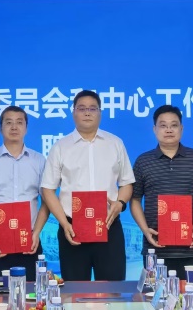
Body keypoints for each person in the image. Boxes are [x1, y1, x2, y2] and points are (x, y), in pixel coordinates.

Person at [41, 90, 135, 281]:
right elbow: (47, 189)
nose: (87, 113)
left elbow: (126, 183)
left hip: (108, 225)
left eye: (92, 108)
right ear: (73, 112)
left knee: (112, 290)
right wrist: (64, 223)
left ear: (100, 113)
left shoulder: (115, 143)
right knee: (73, 291)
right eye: (81, 108)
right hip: (72, 228)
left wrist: (120, 204)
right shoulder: (60, 147)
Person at [131, 105, 193, 280]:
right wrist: (145, 230)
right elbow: (135, 200)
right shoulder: (143, 161)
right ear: (154, 129)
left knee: (189, 293)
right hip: (154, 247)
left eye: (174, 125)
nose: (169, 130)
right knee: (155, 293)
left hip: (189, 246)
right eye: (163, 125)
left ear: (181, 129)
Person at [0, 105, 49, 280]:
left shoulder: (39, 160)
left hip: (29, 240)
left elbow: (47, 201)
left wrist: (36, 233)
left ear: (26, 128)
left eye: (19, 122)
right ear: (1, 128)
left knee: (31, 291)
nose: (14, 127)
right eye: (8, 122)